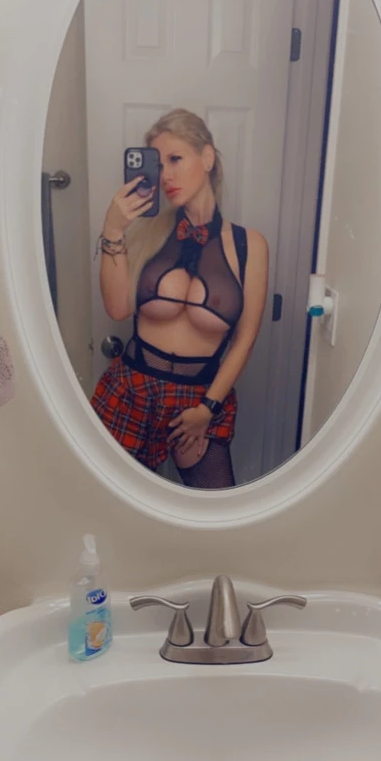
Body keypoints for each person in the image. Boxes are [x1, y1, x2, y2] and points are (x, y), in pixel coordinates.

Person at [91, 109, 268, 489]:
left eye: (175, 159)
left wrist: (208, 409)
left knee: (214, 511)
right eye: (158, 165)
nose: (166, 176)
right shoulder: (144, 234)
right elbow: (117, 308)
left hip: (201, 399)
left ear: (207, 158)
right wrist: (113, 229)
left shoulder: (249, 246)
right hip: (132, 391)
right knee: (114, 509)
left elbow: (245, 339)